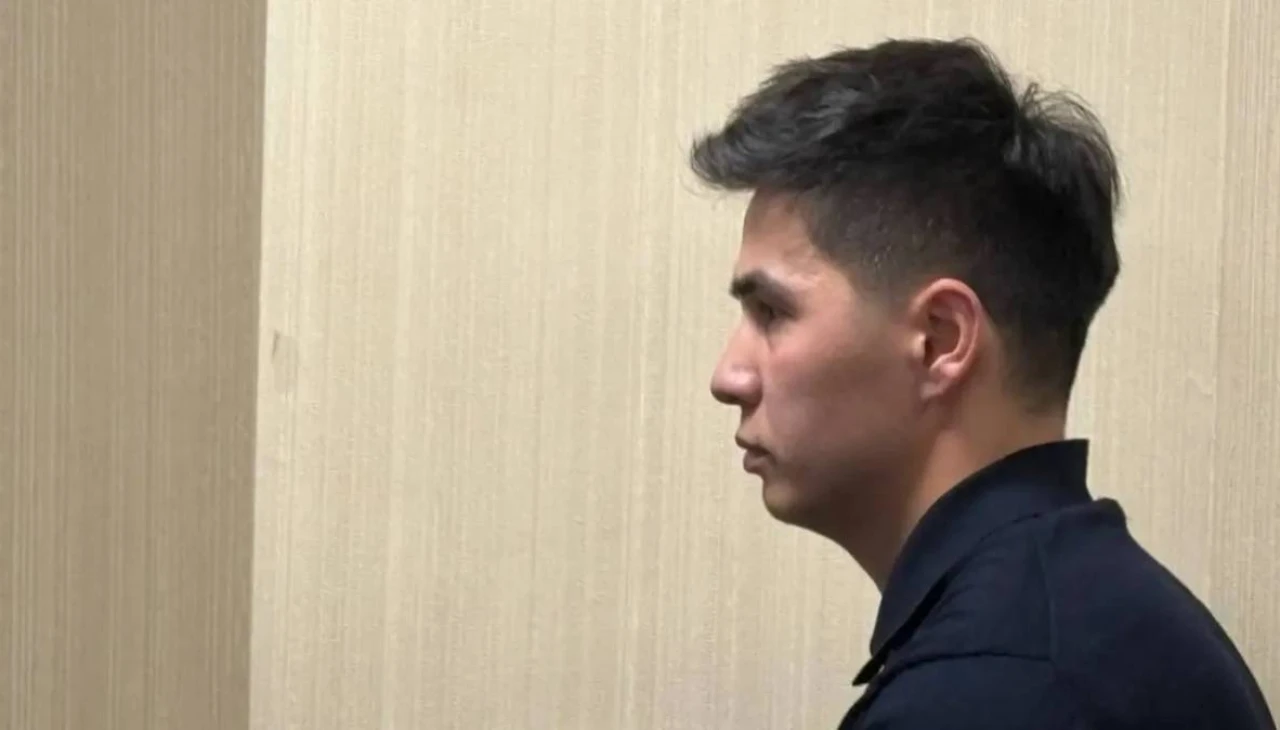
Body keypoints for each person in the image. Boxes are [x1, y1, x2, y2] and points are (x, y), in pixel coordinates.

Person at [691, 37, 1275, 729]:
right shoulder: (1093, 624)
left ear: (941, 341)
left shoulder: (988, 689)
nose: (728, 376)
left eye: (772, 312)